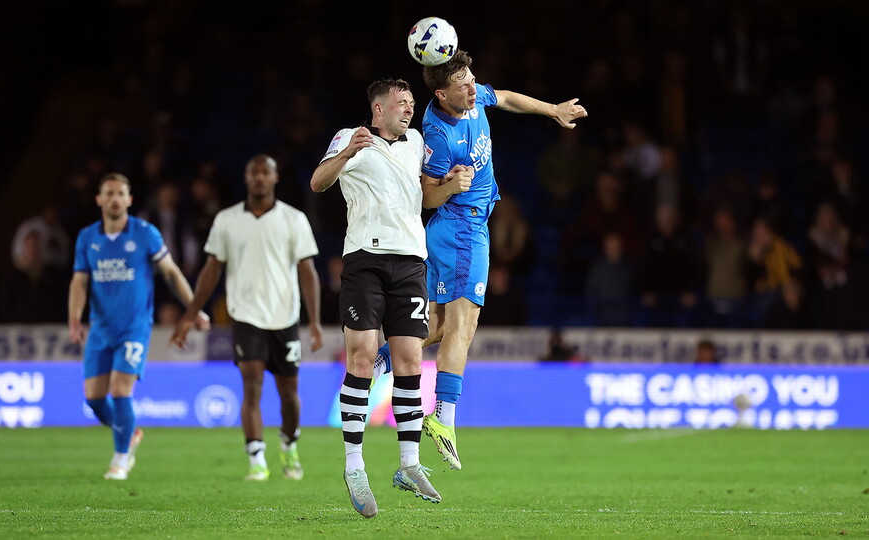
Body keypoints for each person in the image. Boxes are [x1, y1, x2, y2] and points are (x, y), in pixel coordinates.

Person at [375, 50, 586, 471]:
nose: (474, 90)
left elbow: (505, 97)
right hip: (461, 227)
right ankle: (444, 418)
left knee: (440, 325)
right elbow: (426, 198)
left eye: (473, 81)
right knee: (464, 325)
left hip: (465, 228)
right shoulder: (437, 134)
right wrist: (451, 184)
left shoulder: (472, 97)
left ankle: (383, 355)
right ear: (441, 94)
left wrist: (553, 111)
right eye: (464, 87)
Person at [311, 79, 472, 518]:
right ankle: (354, 464)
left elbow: (425, 196)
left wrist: (452, 185)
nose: (409, 109)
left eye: (411, 103)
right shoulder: (350, 137)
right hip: (364, 260)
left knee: (408, 362)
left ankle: (408, 464)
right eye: (401, 103)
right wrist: (346, 154)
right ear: (378, 108)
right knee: (362, 358)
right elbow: (318, 182)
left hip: (410, 264)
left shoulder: (416, 141)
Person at [171, 155, 323, 482]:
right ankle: (256, 458)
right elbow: (212, 270)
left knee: (289, 396)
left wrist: (314, 321)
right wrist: (190, 313)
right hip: (246, 317)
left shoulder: (293, 219)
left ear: (275, 177)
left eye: (265, 172)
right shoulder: (227, 220)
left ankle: (289, 443)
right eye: (254, 172)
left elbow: (307, 272)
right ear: (245, 177)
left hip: (284, 318)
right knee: (251, 385)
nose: (259, 178)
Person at [68, 173, 209, 480]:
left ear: (129, 199)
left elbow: (171, 272)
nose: (115, 198)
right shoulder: (87, 238)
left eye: (121, 193)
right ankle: (129, 433)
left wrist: (194, 309)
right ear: (99, 200)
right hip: (100, 328)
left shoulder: (145, 233)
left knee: (120, 391)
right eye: (109, 193)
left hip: (133, 327)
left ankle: (120, 458)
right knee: (93, 398)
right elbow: (79, 281)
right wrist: (75, 318)